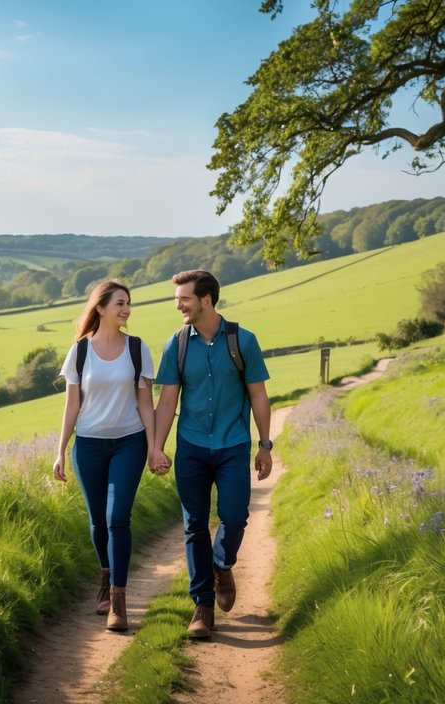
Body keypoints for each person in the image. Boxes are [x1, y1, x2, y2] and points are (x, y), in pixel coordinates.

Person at [149, 269, 272, 639]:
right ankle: (202, 605)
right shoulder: (177, 344)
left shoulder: (242, 340)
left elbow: (258, 395)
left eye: (184, 299)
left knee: (234, 517)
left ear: (206, 299)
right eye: (176, 300)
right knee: (194, 525)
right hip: (191, 446)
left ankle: (222, 563)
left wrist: (265, 445)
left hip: (233, 443)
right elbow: (167, 399)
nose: (179, 306)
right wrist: (156, 446)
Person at [53, 279, 156, 632]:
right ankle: (105, 575)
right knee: (98, 523)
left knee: (117, 519)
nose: (126, 309)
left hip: (130, 442)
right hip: (90, 445)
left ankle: (118, 601)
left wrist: (155, 446)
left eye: (128, 303)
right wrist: (61, 451)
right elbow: (72, 405)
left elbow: (146, 402)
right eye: (120, 304)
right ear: (101, 308)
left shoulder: (139, 349)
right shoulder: (80, 352)